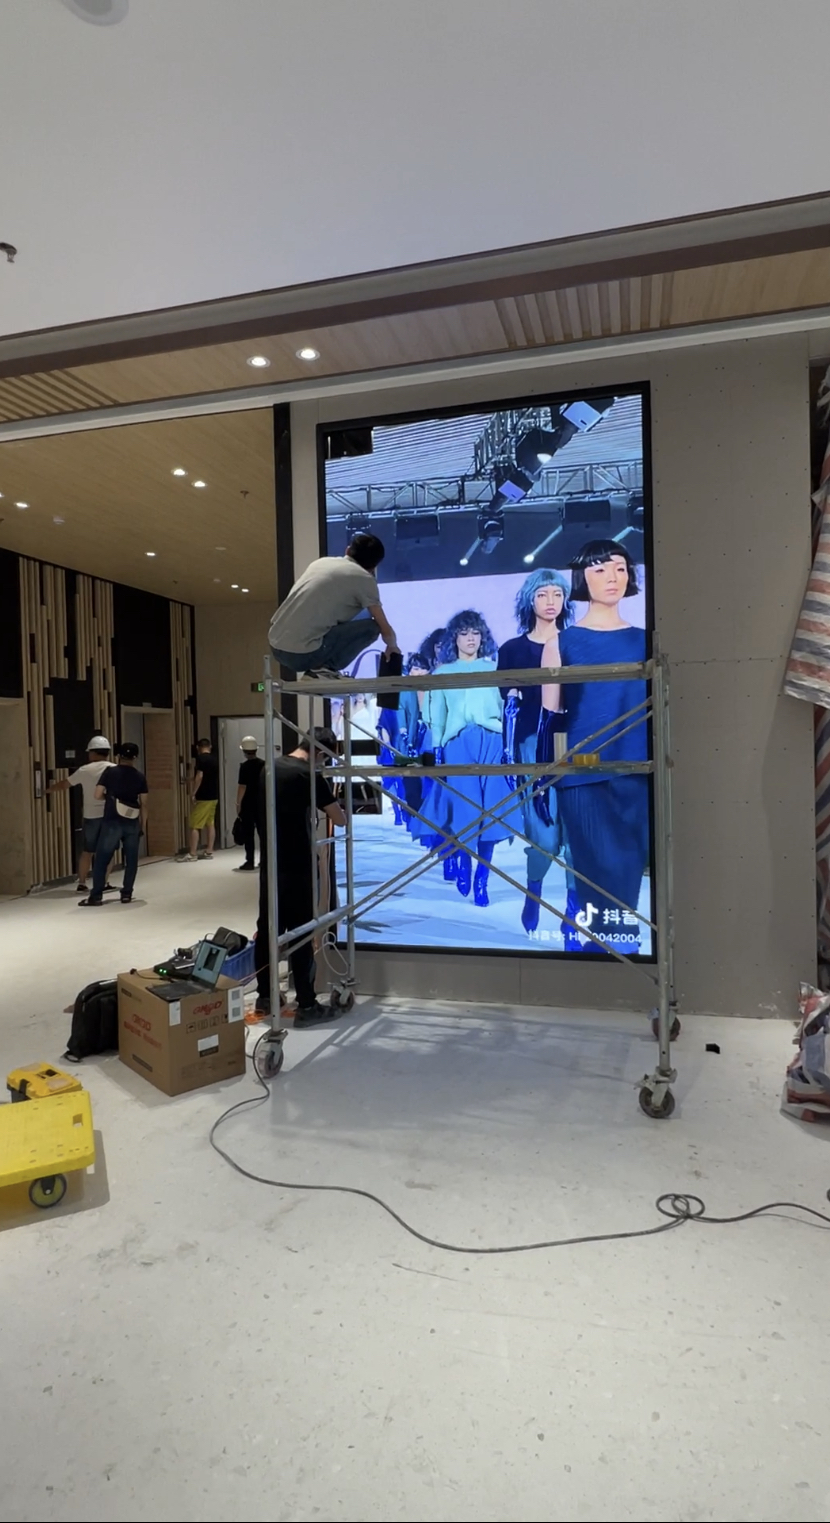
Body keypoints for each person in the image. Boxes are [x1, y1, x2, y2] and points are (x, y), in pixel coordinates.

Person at [540, 540, 648, 954]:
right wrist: (546, 777)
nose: (612, 578)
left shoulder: (646, 641)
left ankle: (622, 952)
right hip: (582, 776)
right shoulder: (561, 644)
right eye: (600, 569)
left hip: (637, 772)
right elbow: (551, 720)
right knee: (592, 869)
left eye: (619, 568)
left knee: (628, 869)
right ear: (582, 578)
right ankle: (602, 955)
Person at [498, 569, 579, 942]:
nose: (551, 601)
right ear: (529, 599)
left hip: (574, 742)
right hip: (532, 744)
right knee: (544, 834)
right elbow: (509, 708)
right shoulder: (512, 651)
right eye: (543, 594)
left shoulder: (577, 643)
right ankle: (534, 892)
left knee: (575, 829)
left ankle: (573, 908)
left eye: (557, 594)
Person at [255, 727, 347, 1024]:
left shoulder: (269, 768)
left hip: (271, 861)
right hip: (298, 864)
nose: (324, 763)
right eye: (325, 758)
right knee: (301, 931)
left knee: (268, 929)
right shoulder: (308, 775)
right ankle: (306, 1005)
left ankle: (265, 996)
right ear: (320, 751)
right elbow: (339, 819)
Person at [426, 610, 513, 907]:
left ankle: (482, 878)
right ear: (455, 638)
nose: (471, 639)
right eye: (464, 633)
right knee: (465, 811)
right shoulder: (442, 674)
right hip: (456, 744)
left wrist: (508, 747)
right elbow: (437, 716)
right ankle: (463, 861)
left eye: (475, 633)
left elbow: (505, 709)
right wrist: (437, 749)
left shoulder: (494, 669)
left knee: (491, 813)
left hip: (492, 742)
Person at [268, 532, 400, 677]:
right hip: (301, 654)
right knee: (372, 627)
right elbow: (385, 629)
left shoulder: (320, 563)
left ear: (347, 550)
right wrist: (393, 647)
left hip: (275, 645)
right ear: (374, 567)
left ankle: (320, 670)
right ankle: (325, 671)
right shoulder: (364, 579)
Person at [79, 742, 148, 907]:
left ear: (118, 756)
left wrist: (110, 799)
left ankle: (96, 896)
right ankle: (126, 894)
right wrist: (142, 826)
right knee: (131, 860)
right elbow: (144, 804)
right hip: (132, 821)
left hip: (112, 821)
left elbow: (97, 795)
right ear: (135, 757)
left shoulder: (110, 772)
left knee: (102, 859)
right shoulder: (140, 776)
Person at [47, 734, 115, 895]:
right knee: (108, 850)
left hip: (91, 816)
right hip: (111, 815)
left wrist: (47, 790)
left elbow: (65, 784)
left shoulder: (85, 770)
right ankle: (104, 882)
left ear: (92, 752)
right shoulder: (115, 769)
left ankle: (82, 883)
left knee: (87, 851)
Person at [185, 739, 219, 861]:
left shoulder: (200, 759)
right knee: (210, 823)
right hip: (214, 795)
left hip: (203, 796)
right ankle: (209, 850)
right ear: (210, 746)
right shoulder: (215, 759)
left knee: (195, 824)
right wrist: (191, 779)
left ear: (198, 747)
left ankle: (192, 853)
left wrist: (193, 792)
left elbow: (200, 776)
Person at [234, 736, 264, 872]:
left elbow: (242, 786)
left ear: (244, 751)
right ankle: (265, 860)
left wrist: (238, 803)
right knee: (263, 834)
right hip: (262, 803)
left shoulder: (244, 767)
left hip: (248, 804)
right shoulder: (264, 765)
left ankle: (250, 861)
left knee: (248, 834)